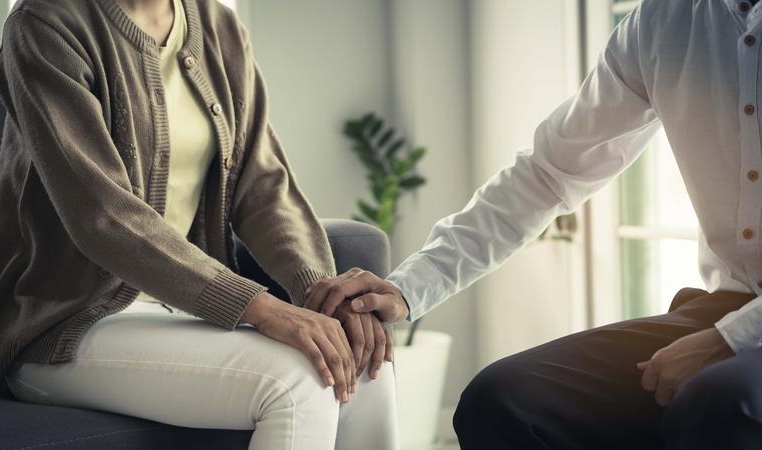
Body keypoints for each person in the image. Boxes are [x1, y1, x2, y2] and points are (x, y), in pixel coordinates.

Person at [305, 0, 762, 448]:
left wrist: (731, 340)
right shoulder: (664, 19)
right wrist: (407, 288)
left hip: (740, 331)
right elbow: (546, 174)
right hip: (723, 305)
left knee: (719, 402)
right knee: (500, 402)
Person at [0, 0, 397, 448]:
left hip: (184, 313)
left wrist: (320, 294)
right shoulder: (45, 26)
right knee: (301, 383)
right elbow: (101, 215)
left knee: (362, 366)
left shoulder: (218, 26)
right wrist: (261, 308)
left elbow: (265, 188)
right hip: (66, 323)